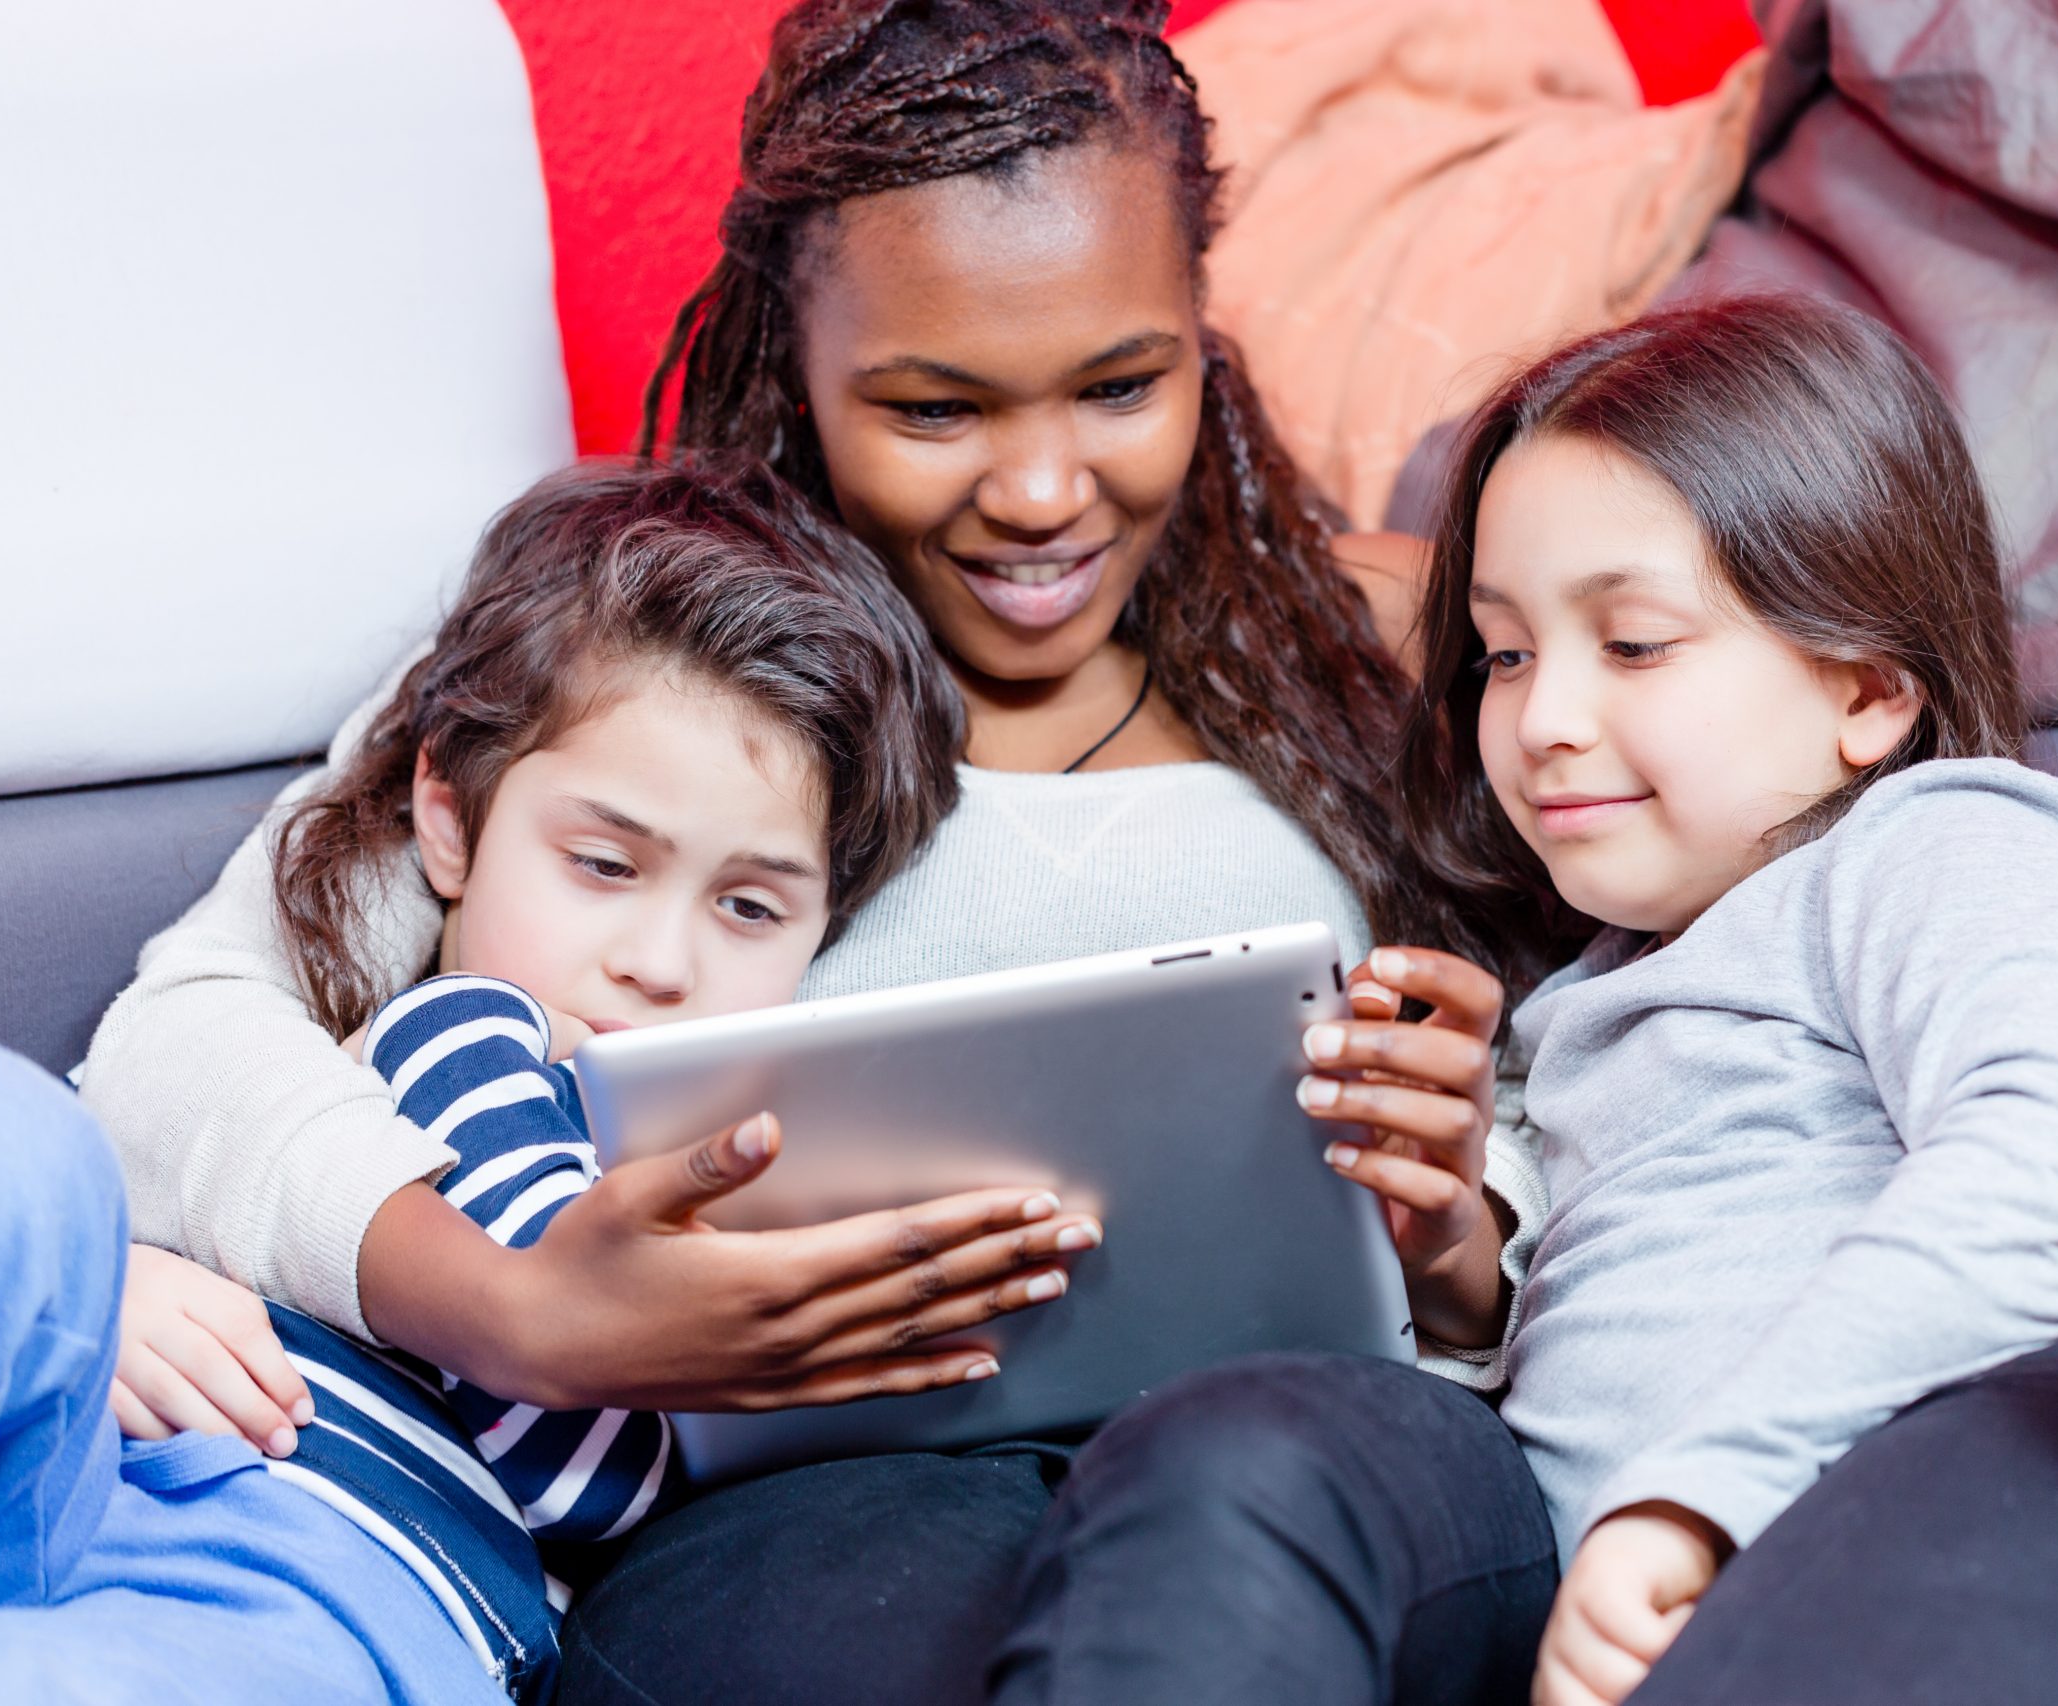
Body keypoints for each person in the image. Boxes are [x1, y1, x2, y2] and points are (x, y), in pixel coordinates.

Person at [79, 3, 1563, 1704]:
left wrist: (1455, 1223)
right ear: (797, 365)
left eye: (1123, 383)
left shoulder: (1380, 633)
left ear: (1202, 333)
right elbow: (182, 1037)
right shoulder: (642, 647)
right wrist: (506, 1307)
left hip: (1313, 1445)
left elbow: (1640, 1080)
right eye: (934, 406)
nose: (1041, 490)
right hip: (822, 1513)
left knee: (1228, 1496)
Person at [0, 455, 1032, 1702]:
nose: (659, 961)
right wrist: (94, 1279)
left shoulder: (764, 1149)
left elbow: (568, 1482)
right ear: (444, 817)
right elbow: (575, 1437)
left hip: (334, 1572)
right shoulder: (464, 1034)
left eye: (750, 905)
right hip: (67, 1455)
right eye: (602, 864)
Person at [1363, 293, 2058, 1706]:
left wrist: (1695, 1500)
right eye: (1507, 651)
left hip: (1916, 1526)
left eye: (1636, 642)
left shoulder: (1939, 841)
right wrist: (1453, 1265)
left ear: (1867, 686)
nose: (1540, 720)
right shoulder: (1581, 1004)